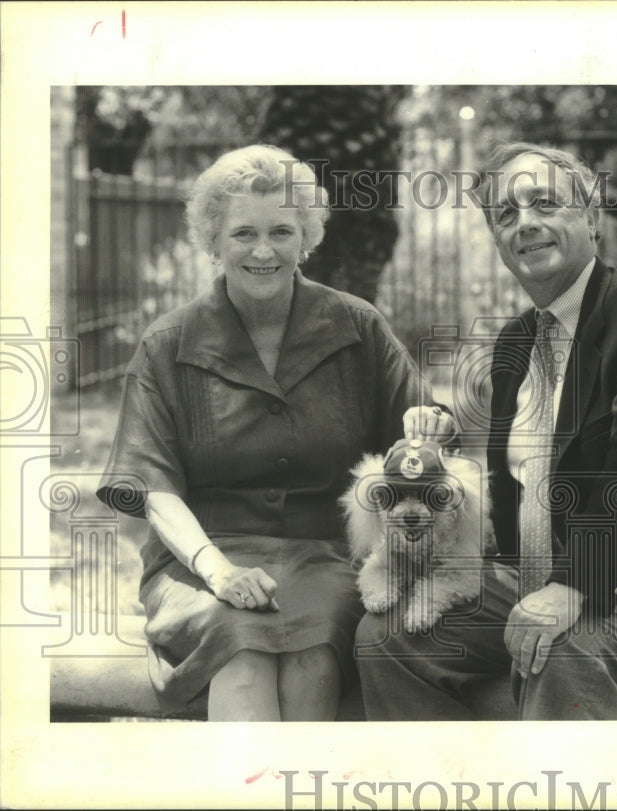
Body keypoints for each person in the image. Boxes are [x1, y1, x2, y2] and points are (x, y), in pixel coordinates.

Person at [355, 142, 617, 720]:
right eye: (505, 214)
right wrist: (443, 441)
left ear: (591, 219)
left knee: (553, 647)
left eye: (544, 203)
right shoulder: (513, 343)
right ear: (501, 244)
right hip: (531, 570)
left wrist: (573, 587)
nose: (524, 223)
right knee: (386, 637)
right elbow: (527, 473)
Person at [97, 144, 454, 721]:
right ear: (213, 240)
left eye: (281, 231)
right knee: (241, 654)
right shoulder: (167, 344)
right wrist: (217, 570)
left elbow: (419, 439)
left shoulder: (357, 326)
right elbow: (150, 484)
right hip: (201, 559)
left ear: (306, 237)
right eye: (243, 233)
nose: (263, 251)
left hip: (325, 555)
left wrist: (426, 431)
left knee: (313, 657)